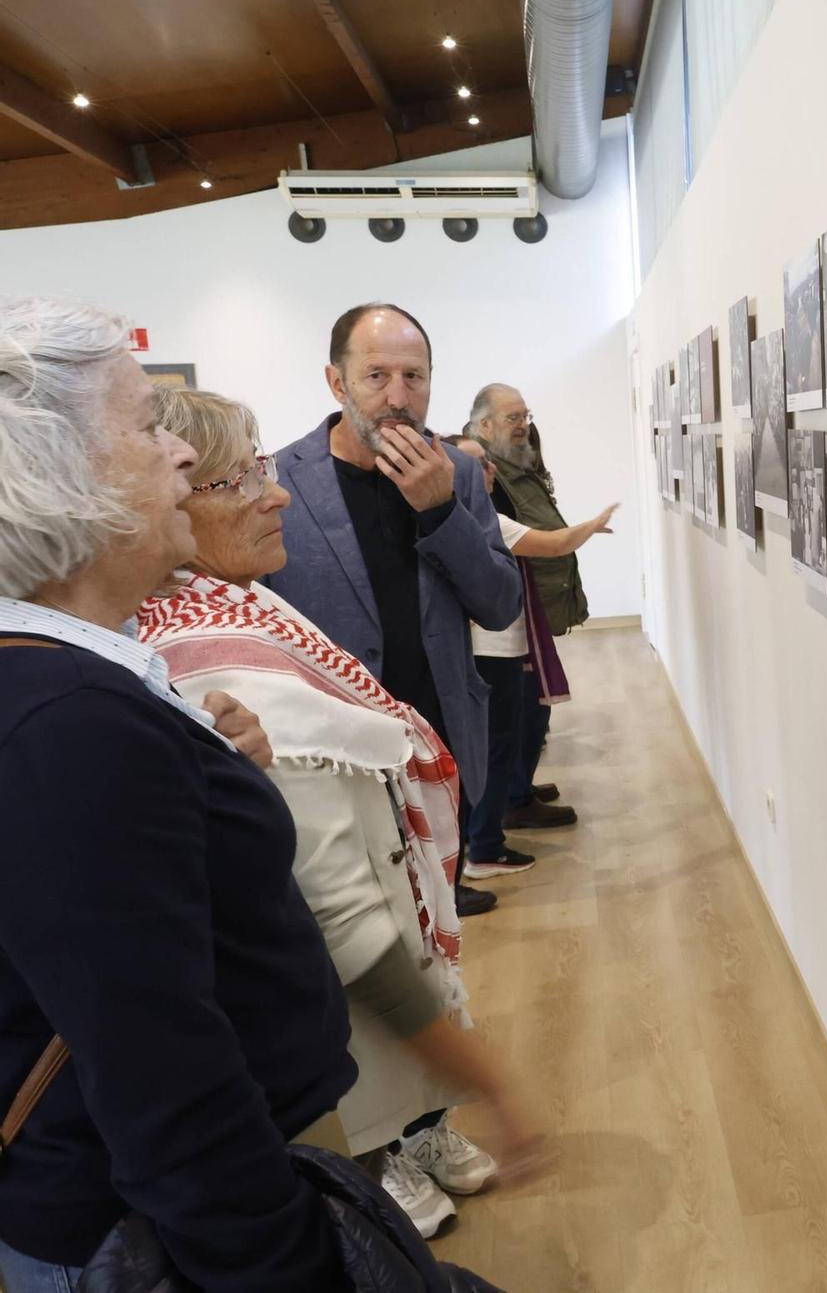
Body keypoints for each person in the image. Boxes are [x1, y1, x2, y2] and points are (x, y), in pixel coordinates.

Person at [0, 298, 356, 1290]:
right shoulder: (66, 721)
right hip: (142, 1235)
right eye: (147, 423)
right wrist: (288, 1267)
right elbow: (163, 1075)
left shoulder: (74, 690)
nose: (184, 456)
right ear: (55, 473)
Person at [138, 388, 545, 1238]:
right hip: (340, 967)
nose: (275, 489)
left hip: (390, 885)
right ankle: (375, 1151)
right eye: (238, 478)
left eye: (263, 467)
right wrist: (497, 1081)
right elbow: (343, 916)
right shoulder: (217, 666)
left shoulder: (236, 594)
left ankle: (417, 1126)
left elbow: (496, 596)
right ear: (163, 506)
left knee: (404, 1026)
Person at [265, 304, 522, 920]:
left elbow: (499, 604)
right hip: (332, 753)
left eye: (415, 377)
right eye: (376, 376)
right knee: (358, 933)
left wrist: (440, 513)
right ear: (337, 382)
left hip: (440, 739)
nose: (398, 397)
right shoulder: (280, 480)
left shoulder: (457, 474)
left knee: (439, 924)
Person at [448, 435, 617, 879]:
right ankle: (484, 847)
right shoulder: (483, 522)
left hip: (494, 649)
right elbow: (556, 544)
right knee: (496, 749)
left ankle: (481, 840)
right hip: (492, 652)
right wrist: (592, 524)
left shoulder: (471, 519)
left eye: (487, 461)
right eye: (478, 464)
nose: (490, 470)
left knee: (502, 743)